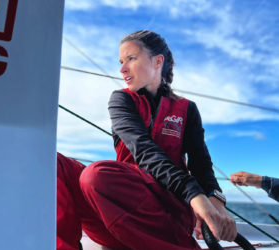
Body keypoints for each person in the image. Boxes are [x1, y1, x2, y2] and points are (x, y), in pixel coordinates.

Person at [57, 30, 237, 250]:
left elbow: (200, 163)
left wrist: (214, 199)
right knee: (57, 163)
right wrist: (195, 194)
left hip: (164, 214)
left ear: (157, 61)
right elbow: (143, 151)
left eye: (131, 59)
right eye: (121, 62)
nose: (122, 69)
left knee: (96, 176)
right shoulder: (121, 99)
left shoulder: (186, 109)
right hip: (116, 209)